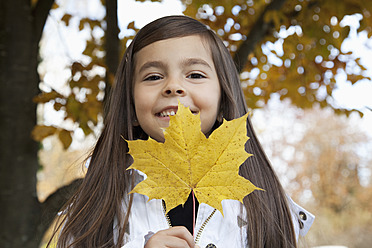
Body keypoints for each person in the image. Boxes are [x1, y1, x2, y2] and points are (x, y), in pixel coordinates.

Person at [49, 15, 314, 248]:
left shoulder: (265, 206)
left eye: (195, 75)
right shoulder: (100, 207)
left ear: (223, 100)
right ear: (130, 107)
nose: (174, 87)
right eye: (153, 77)